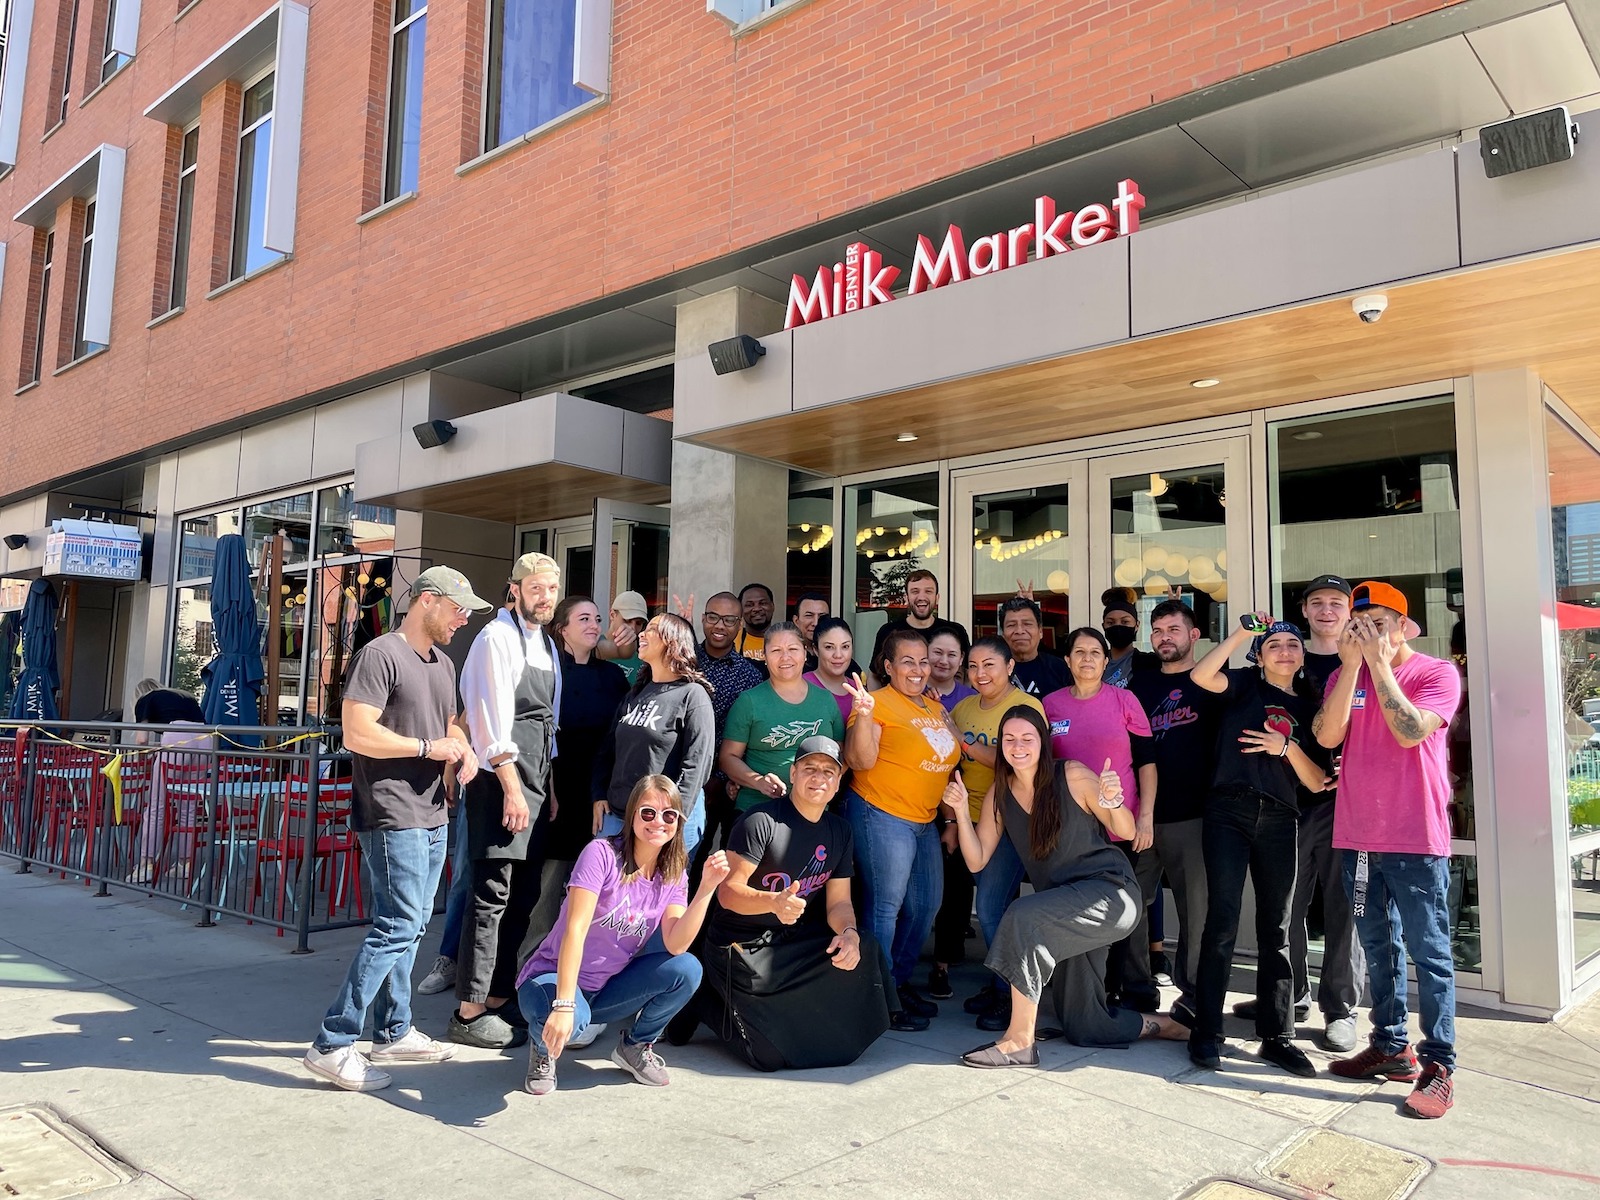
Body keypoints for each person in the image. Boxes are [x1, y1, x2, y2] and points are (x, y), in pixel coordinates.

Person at [304, 566, 486, 1092]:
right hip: (391, 810)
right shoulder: (379, 655)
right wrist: (430, 749)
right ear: (428, 601)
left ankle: (393, 1029)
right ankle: (333, 1042)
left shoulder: (442, 663)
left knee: (411, 925)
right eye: (457, 607)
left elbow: (451, 722)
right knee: (398, 925)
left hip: (431, 809)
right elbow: (357, 732)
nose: (464, 617)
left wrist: (463, 751)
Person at [943, 707, 1187, 1065]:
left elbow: (1129, 831)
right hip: (1062, 908)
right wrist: (962, 813)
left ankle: (1019, 1042)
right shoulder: (1000, 792)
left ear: (1043, 741)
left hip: (1110, 893)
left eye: (1027, 738)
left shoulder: (1072, 775)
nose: (1017, 746)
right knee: (1085, 1025)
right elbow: (977, 860)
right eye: (1009, 739)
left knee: (1023, 916)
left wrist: (1113, 800)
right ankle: (1172, 1026)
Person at [1316, 581, 1463, 1119]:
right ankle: (1389, 1045)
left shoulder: (1435, 674)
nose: (1367, 631)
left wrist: (1378, 666)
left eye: (1379, 621)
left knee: (1430, 952)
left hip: (1414, 839)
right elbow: (1329, 735)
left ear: (1405, 626)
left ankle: (1439, 1064)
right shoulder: (1342, 674)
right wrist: (1354, 666)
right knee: (1377, 945)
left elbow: (1409, 733)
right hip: (1357, 836)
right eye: (1360, 623)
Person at [685, 736, 895, 1070]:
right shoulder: (760, 821)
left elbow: (839, 902)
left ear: (839, 781)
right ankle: (702, 1002)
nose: (819, 778)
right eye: (810, 768)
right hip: (740, 945)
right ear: (793, 773)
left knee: (865, 947)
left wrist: (850, 933)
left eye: (829, 771)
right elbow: (728, 893)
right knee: (767, 1057)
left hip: (792, 940)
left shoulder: (840, 830)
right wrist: (773, 903)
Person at [515, 776, 731, 1095]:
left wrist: (706, 889)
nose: (658, 821)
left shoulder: (673, 874)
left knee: (687, 969)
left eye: (669, 815)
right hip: (551, 979)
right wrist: (563, 1004)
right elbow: (574, 929)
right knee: (573, 1022)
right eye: (648, 812)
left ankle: (635, 1046)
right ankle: (543, 1049)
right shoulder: (601, 854)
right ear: (631, 815)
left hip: (604, 988)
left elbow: (676, 943)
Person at [1187, 616, 1332, 1079]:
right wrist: (1242, 634)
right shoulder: (1242, 685)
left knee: (1279, 928)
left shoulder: (1312, 708)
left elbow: (1317, 781)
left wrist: (1284, 746)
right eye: (1274, 645)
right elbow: (1200, 676)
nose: (1285, 651)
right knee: (1223, 921)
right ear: (1260, 655)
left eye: (1293, 644)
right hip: (1227, 811)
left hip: (1281, 818)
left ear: (1303, 655)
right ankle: (1207, 1030)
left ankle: (1278, 1036)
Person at [449, 553, 563, 1049]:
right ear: (514, 590)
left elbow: (549, 722)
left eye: (552, 589)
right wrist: (513, 787)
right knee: (492, 892)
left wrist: (548, 788)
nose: (545, 598)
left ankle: (498, 997)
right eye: (535, 588)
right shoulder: (495, 638)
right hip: (502, 778)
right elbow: (489, 719)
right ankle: (469, 1010)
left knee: (523, 895)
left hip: (537, 777)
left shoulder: (547, 643)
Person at [512, 596, 630, 1050]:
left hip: (598, 800)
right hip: (553, 797)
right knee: (545, 897)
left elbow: (619, 741)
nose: (595, 624)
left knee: (595, 904)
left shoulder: (613, 678)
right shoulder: (547, 672)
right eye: (584, 619)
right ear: (561, 628)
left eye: (598, 619)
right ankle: (529, 991)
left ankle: (588, 997)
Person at [842, 630, 962, 1030]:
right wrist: (862, 714)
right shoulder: (876, 704)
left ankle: (897, 981)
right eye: (907, 661)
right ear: (888, 666)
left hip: (925, 820)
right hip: (882, 813)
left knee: (927, 904)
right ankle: (877, 997)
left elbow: (945, 765)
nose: (917, 669)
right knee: (885, 907)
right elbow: (860, 760)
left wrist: (947, 819)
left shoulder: (934, 707)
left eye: (923, 661)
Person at [1040, 627, 1159, 1010]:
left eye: (1095, 652)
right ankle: (1082, 992)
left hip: (1119, 823)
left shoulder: (1125, 701)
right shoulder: (1050, 705)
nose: (1087, 659)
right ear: (1068, 660)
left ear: (1106, 662)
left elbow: (1147, 763)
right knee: (1077, 909)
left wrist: (1145, 818)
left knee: (1126, 909)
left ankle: (1130, 988)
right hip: (1070, 830)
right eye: (1079, 652)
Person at [936, 636, 1044, 1020]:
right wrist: (952, 819)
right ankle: (1001, 984)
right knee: (993, 907)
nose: (980, 674)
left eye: (990, 665)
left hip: (1011, 820)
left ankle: (1008, 994)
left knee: (992, 907)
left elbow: (1020, 761)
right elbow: (951, 765)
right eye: (974, 667)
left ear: (1010, 667)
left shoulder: (1027, 707)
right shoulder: (963, 707)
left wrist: (965, 744)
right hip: (971, 818)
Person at [1128, 599, 1221, 1029]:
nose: (1165, 637)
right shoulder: (1138, 685)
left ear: (1193, 635)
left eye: (1174, 629)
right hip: (1139, 817)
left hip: (1194, 815)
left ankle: (1194, 994)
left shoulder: (1213, 683)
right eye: (1158, 630)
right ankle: (1136, 984)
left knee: (1195, 910)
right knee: (1129, 902)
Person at [593, 613, 717, 857]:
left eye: (651, 629)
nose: (641, 634)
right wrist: (598, 794)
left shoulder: (693, 695)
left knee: (660, 894)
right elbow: (608, 750)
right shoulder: (635, 694)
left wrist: (671, 818)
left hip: (663, 822)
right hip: (618, 816)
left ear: (672, 641)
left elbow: (696, 765)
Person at [719, 622, 845, 816]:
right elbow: (728, 758)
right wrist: (758, 782)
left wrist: (822, 787)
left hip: (814, 812)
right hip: (758, 809)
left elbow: (841, 753)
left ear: (805, 653)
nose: (785, 657)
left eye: (793, 649)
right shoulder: (749, 701)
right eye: (776, 650)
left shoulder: (825, 700)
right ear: (764, 657)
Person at [695, 592, 766, 865]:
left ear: (739, 625)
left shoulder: (751, 675)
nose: (719, 626)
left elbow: (753, 733)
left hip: (733, 785)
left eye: (728, 620)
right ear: (703, 619)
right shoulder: (685, 663)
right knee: (688, 859)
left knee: (730, 860)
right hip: (688, 780)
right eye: (713, 617)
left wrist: (729, 779)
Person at [868, 569, 969, 684]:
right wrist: (878, 701)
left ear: (937, 598)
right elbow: (874, 675)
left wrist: (964, 700)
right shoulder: (888, 631)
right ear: (906, 598)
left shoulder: (955, 632)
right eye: (915, 591)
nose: (921, 597)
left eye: (928, 591)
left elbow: (968, 674)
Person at [999, 596, 1071, 697]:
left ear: (1040, 632)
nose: (1019, 631)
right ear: (1002, 634)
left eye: (1027, 624)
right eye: (1011, 625)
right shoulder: (993, 670)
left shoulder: (1061, 669)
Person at [1101, 590, 1160, 689]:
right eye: (1110, 623)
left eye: (1125, 622)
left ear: (1137, 625)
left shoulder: (1151, 663)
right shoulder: (1095, 662)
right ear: (1104, 626)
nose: (1118, 626)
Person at [804, 616, 857, 723]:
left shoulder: (858, 690)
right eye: (829, 647)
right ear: (815, 650)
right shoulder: (802, 685)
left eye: (845, 647)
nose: (838, 655)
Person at [604, 591, 650, 684]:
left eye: (638, 623)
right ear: (612, 615)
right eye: (627, 620)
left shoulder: (642, 662)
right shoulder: (591, 648)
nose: (632, 628)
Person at [926, 628, 975, 708]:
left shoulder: (972, 698)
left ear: (961, 658)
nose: (944, 661)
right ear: (926, 652)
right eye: (938, 652)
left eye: (951, 655)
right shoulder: (912, 692)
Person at [735, 582, 774, 662]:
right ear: (740, 610)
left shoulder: (784, 640)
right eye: (749, 605)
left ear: (772, 606)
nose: (756, 609)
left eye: (762, 603)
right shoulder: (732, 640)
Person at [792, 592, 830, 666]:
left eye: (821, 616)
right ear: (796, 621)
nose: (815, 623)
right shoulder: (787, 658)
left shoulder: (838, 660)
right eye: (809, 615)